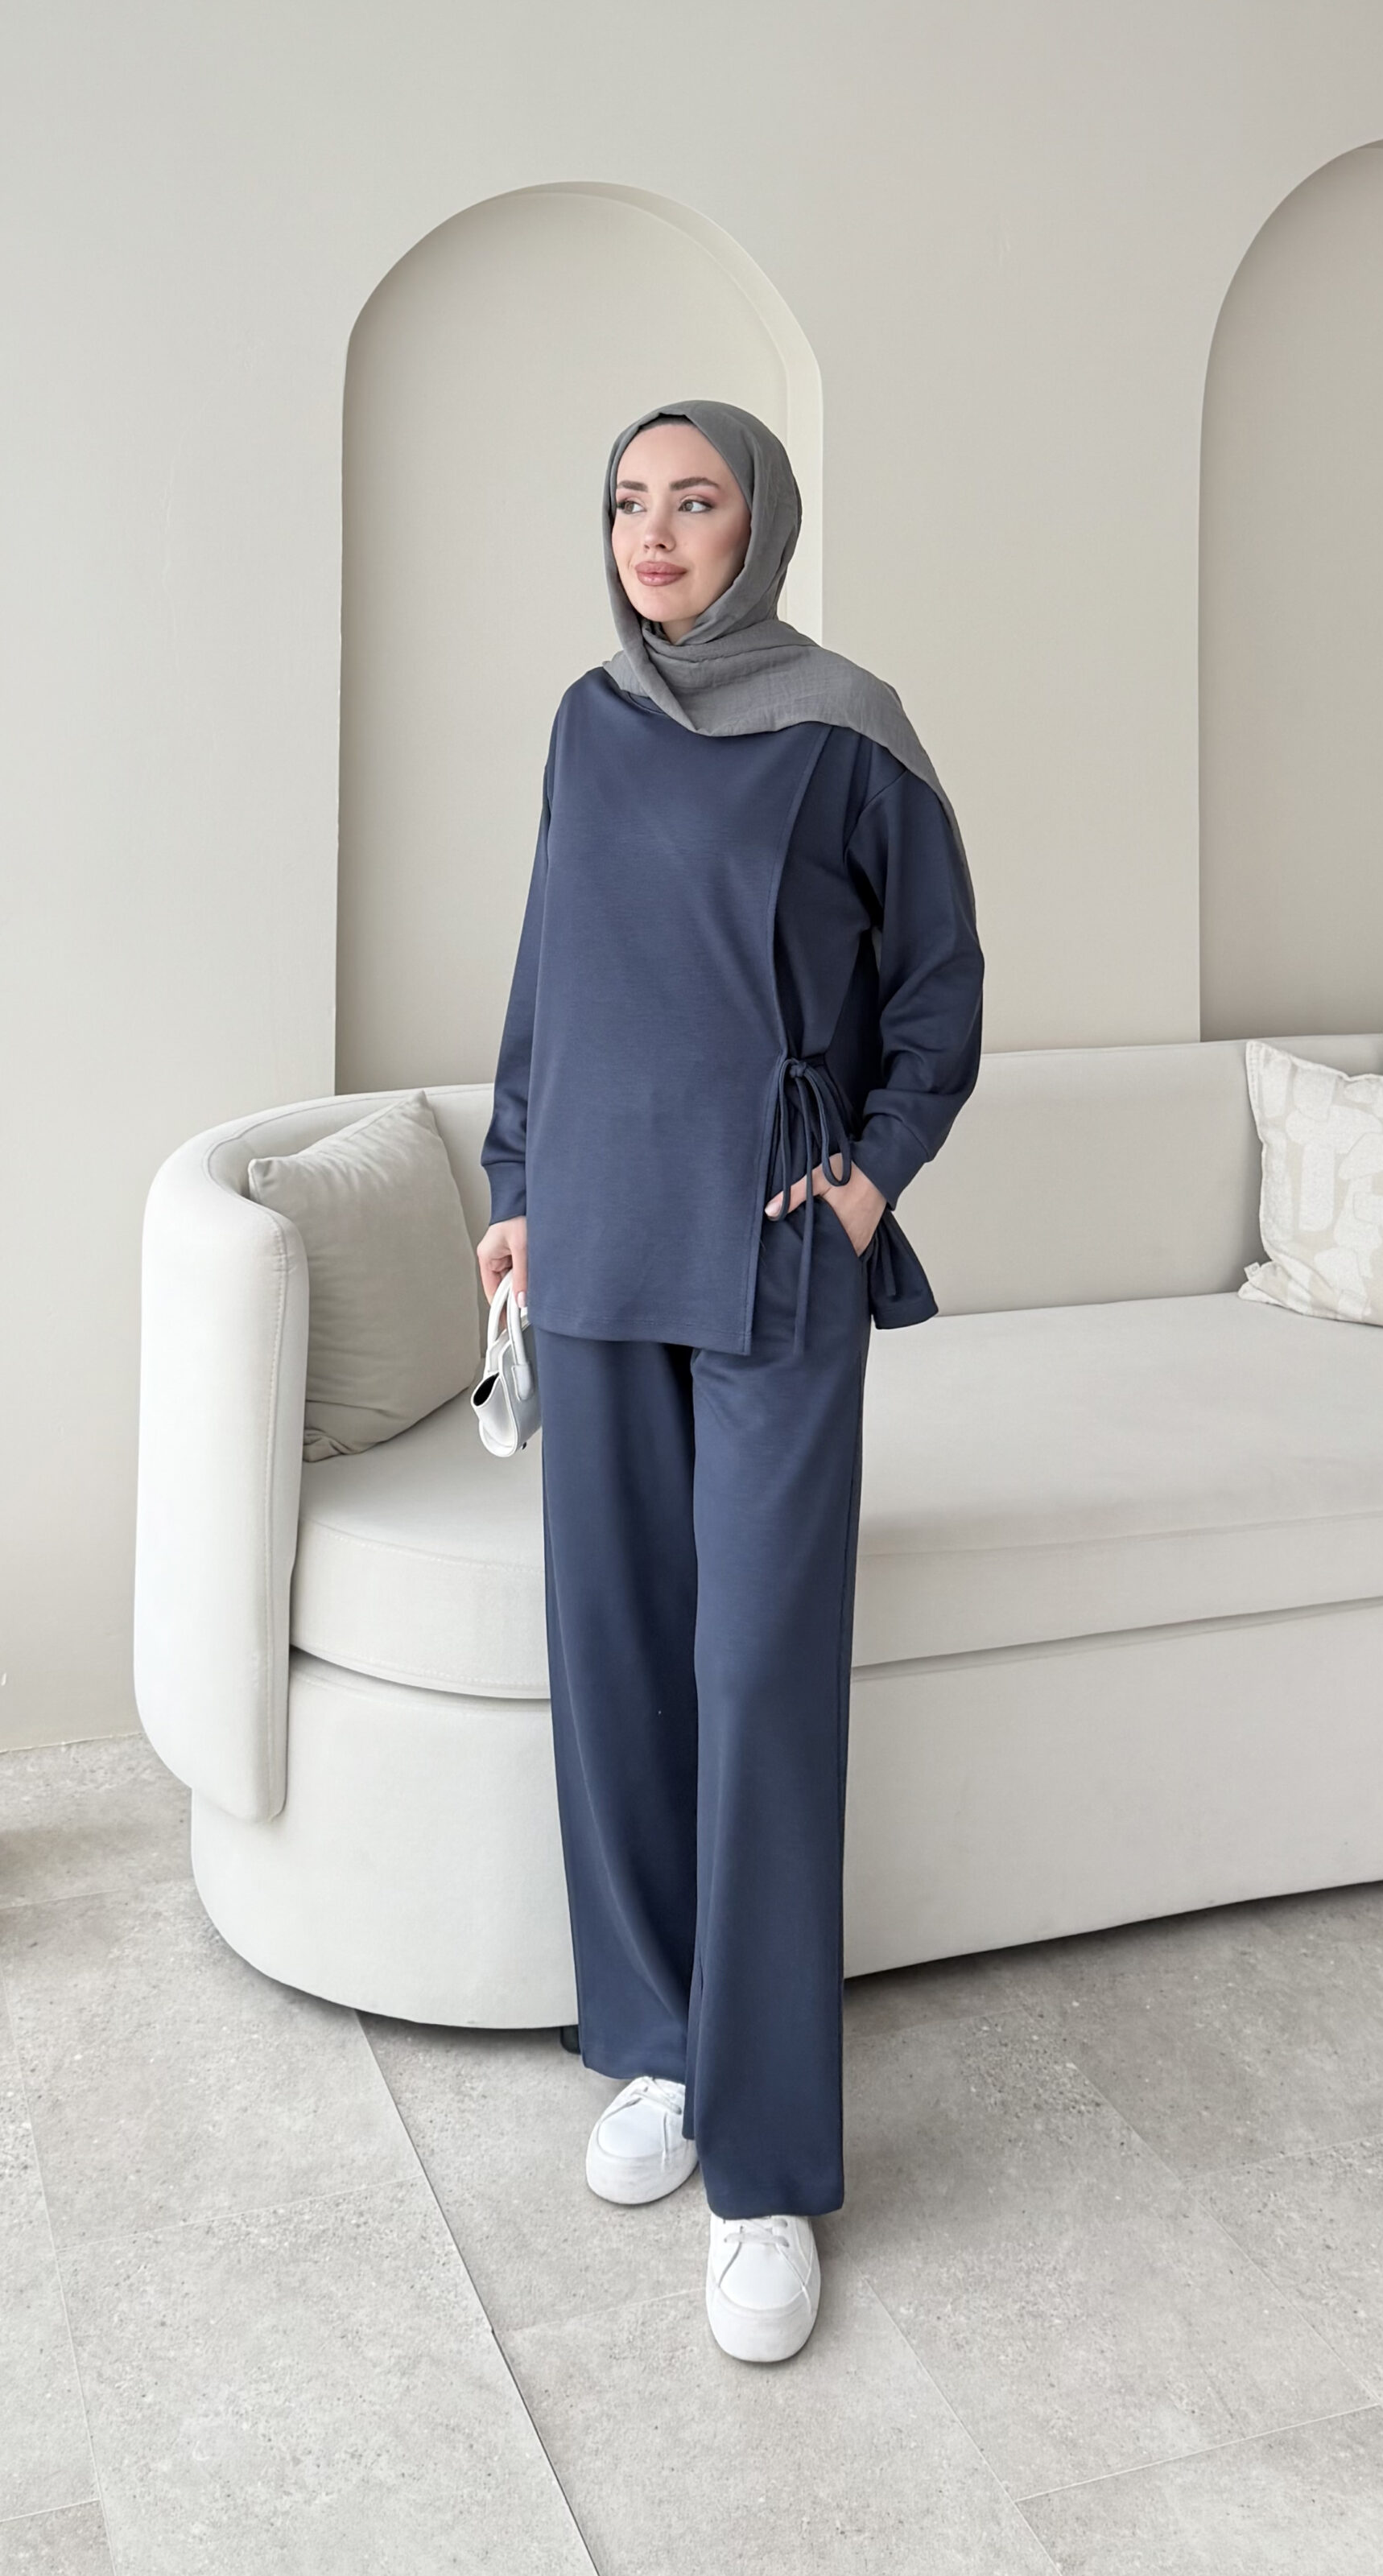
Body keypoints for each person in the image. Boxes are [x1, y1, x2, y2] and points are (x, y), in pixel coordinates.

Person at [477, 398, 985, 2365]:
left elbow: (938, 989)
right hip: (598, 1239)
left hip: (775, 1244)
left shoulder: (853, 728)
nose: (656, 532)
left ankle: (765, 2168)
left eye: (696, 501)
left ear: (760, 521)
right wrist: (517, 1189)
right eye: (630, 501)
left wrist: (870, 1179)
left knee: (760, 1679)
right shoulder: (586, 720)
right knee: (616, 1651)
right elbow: (549, 975)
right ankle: (664, 2048)